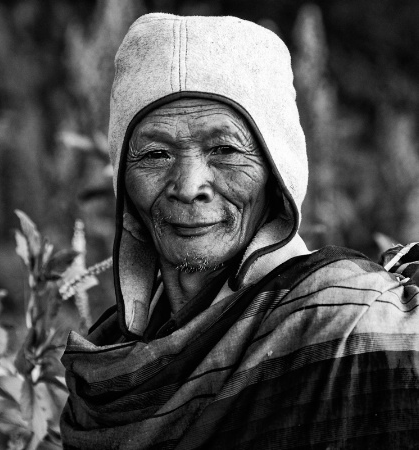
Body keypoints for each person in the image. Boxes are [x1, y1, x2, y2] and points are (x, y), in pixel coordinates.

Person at [60, 13, 419, 449]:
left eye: (226, 149)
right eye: (154, 154)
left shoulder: (346, 323)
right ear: (122, 178)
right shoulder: (111, 364)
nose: (189, 187)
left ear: (277, 170)